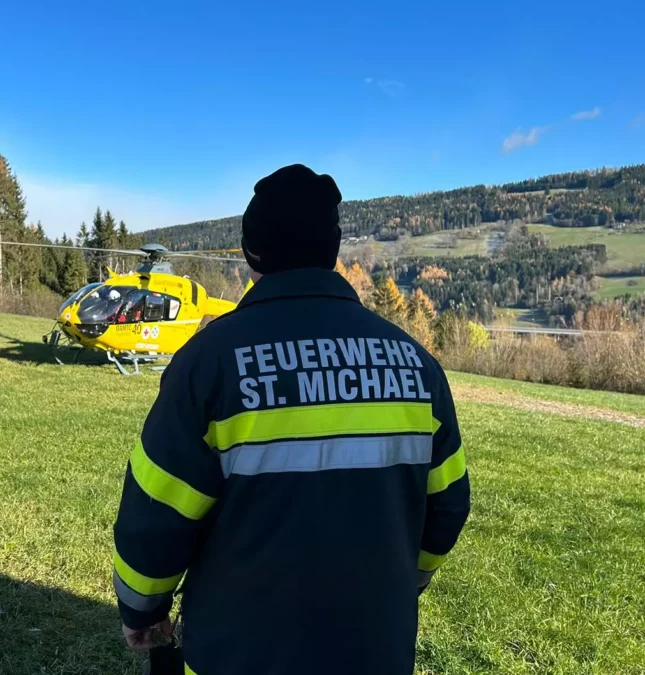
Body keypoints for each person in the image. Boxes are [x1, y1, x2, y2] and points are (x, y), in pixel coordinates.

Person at [111, 164, 471, 674]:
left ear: (252, 253)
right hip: (375, 653)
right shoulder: (417, 365)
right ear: (333, 251)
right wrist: (404, 581)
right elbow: (449, 506)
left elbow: (156, 512)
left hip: (236, 654)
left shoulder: (209, 362)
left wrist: (141, 609)